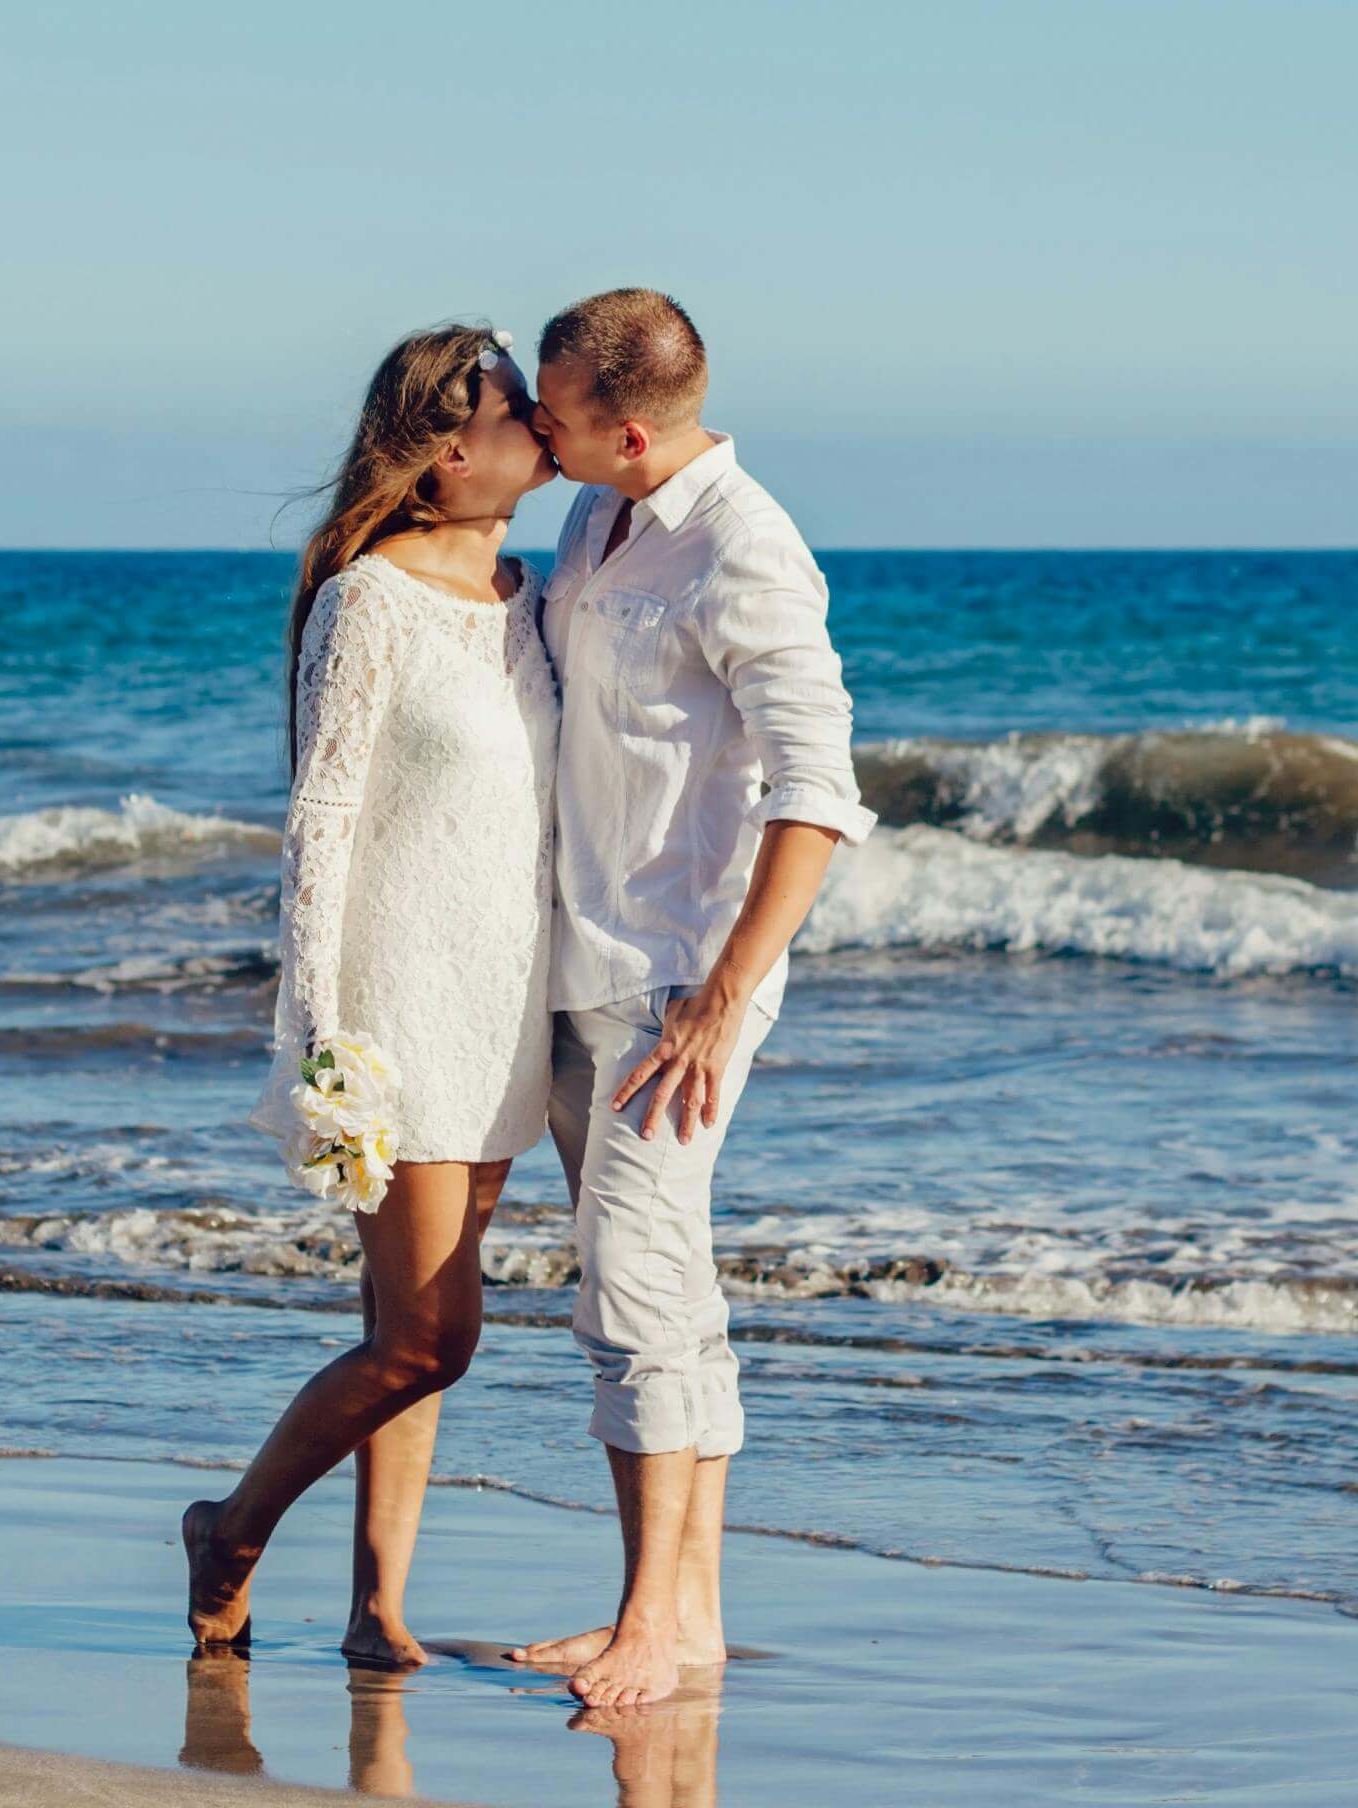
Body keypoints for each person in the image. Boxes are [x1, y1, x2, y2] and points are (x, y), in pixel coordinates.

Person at [505, 288, 875, 1708]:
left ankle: (648, 1623)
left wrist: (727, 995)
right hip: (583, 956)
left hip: (679, 981)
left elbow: (820, 791)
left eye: (557, 412)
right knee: (661, 1294)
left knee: (635, 1286)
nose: (539, 427)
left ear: (633, 428)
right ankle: (687, 1614)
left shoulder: (744, 549)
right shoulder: (595, 516)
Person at [183, 321, 560, 1667]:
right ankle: (230, 1527)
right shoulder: (370, 601)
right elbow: (321, 823)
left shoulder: (540, 593)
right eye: (519, 405)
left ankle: (375, 1607)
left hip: (511, 1001)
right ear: (445, 451)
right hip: (398, 1006)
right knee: (432, 1338)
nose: (545, 418)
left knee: (410, 1333)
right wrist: (319, 1030)